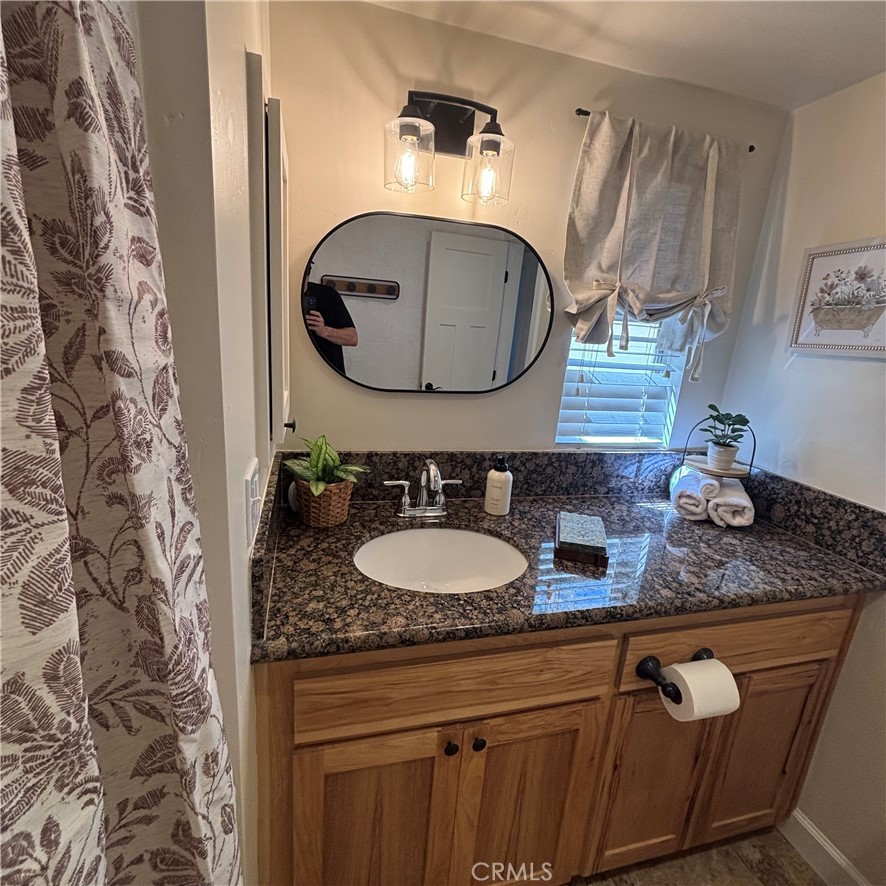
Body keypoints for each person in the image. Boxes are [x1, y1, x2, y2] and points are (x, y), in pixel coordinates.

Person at [302, 264, 358, 375]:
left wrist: (324, 330)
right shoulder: (278, 297)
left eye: (308, 270)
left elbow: (352, 338)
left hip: (329, 376)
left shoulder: (327, 294)